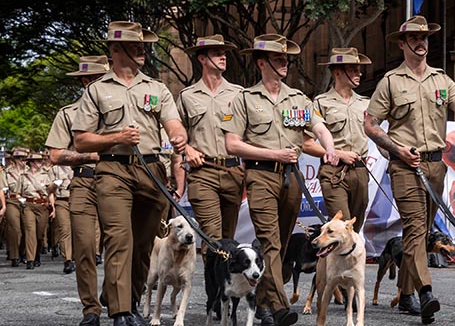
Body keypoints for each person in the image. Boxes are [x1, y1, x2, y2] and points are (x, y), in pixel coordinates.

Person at [364, 16, 455, 325]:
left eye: (424, 37)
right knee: (413, 227)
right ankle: (425, 292)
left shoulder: (441, 79)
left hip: (436, 166)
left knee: (421, 234)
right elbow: (370, 125)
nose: (421, 42)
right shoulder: (390, 82)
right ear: (402, 43)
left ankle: (406, 291)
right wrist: (396, 149)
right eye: (414, 37)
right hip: (404, 165)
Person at [72, 21, 187, 326]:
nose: (142, 49)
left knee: (143, 243)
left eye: (143, 44)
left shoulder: (156, 88)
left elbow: (172, 122)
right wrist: (115, 138)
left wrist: (179, 135)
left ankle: (130, 300)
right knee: (119, 238)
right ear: (115, 49)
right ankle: (121, 312)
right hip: (112, 170)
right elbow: (81, 139)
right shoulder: (97, 90)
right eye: (135, 45)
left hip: (151, 170)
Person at [222, 34, 339, 326]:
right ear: (262, 63)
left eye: (286, 58)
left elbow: (319, 127)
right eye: (277, 58)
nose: (284, 62)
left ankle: (261, 302)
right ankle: (278, 306)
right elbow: (232, 144)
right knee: (270, 242)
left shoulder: (298, 98)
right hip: (260, 174)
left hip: (292, 177)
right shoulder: (244, 99)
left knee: (282, 246)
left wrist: (331, 147)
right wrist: (274, 152)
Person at [45, 55, 109, 326]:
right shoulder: (68, 113)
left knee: (124, 246)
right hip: (84, 182)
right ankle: (91, 309)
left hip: (121, 182)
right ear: (85, 81)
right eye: (95, 79)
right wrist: (89, 156)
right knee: (84, 247)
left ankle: (114, 295)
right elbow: (55, 155)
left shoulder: (120, 110)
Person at [173, 35, 244, 257]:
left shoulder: (239, 94)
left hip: (233, 171)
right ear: (202, 59)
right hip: (203, 173)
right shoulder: (186, 96)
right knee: (212, 237)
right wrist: (187, 150)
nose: (223, 57)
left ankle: (223, 290)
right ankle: (214, 292)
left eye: (224, 53)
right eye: (216, 53)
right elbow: (176, 135)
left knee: (228, 239)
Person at [305, 47, 372, 233]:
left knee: (354, 231)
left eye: (358, 69)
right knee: (341, 228)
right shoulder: (320, 103)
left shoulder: (366, 103)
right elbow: (306, 143)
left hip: (360, 170)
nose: (359, 73)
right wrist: (338, 153)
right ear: (337, 72)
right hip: (334, 172)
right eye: (352, 69)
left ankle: (343, 262)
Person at [20, 152, 51, 270]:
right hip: (28, 206)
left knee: (39, 234)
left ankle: (37, 254)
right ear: (31, 163)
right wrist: (22, 200)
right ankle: (30, 259)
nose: (40, 163)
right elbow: (18, 192)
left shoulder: (46, 175)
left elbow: (50, 192)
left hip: (42, 206)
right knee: (30, 232)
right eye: (38, 161)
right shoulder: (23, 176)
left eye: (40, 161)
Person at [3, 147, 30, 267]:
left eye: (24, 159)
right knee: (15, 228)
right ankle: (14, 256)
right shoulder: (7, 172)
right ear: (14, 159)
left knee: (27, 228)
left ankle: (23, 253)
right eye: (19, 158)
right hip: (12, 201)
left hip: (28, 201)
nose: (22, 161)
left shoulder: (30, 172)